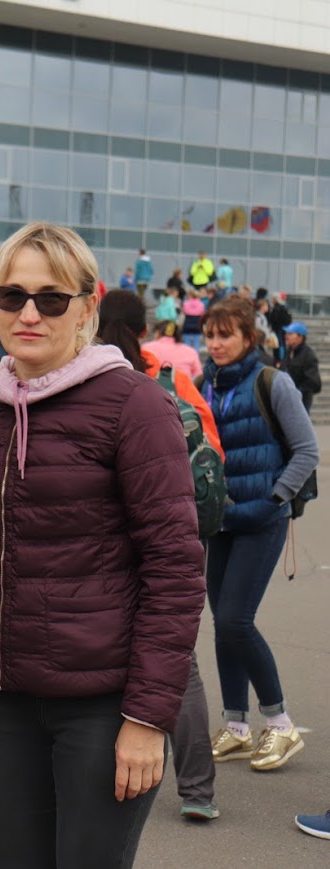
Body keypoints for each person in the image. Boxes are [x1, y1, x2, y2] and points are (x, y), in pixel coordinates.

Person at [0, 222, 205, 869]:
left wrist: (149, 718)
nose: (29, 312)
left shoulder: (134, 406)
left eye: (51, 297)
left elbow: (174, 570)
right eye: (11, 296)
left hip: (100, 709)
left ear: (87, 306)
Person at [97, 289, 223, 821]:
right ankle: (198, 791)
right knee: (179, 660)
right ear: (145, 325)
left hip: (105, 540)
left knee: (100, 650)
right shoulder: (171, 378)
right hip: (173, 528)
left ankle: (105, 772)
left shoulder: (91, 379)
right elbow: (212, 452)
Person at [200, 296, 318, 773]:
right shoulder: (206, 385)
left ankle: (281, 722)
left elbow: (307, 451)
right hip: (220, 522)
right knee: (222, 627)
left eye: (225, 334)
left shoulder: (274, 381)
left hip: (262, 520)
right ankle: (236, 725)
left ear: (249, 337)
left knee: (235, 622)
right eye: (209, 335)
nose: (215, 344)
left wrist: (275, 500)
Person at [279, 322, 320, 411]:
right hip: (285, 400)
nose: (287, 336)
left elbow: (313, 382)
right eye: (286, 333)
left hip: (301, 403)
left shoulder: (308, 355)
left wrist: (296, 392)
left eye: (290, 334)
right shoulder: (288, 352)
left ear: (300, 337)